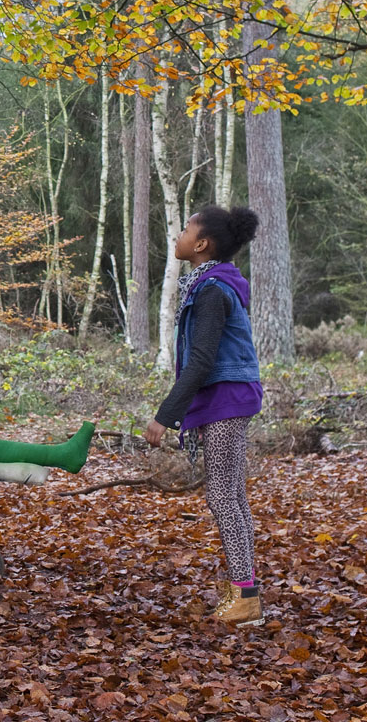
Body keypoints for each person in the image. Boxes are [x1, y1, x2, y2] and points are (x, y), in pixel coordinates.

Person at [144, 205, 266, 628]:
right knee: (231, 496)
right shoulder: (205, 284)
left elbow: (200, 360)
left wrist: (165, 417)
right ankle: (242, 589)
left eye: (185, 230)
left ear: (201, 244)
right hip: (227, 396)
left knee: (222, 497)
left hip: (226, 398)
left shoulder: (212, 289)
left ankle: (245, 597)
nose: (177, 236)